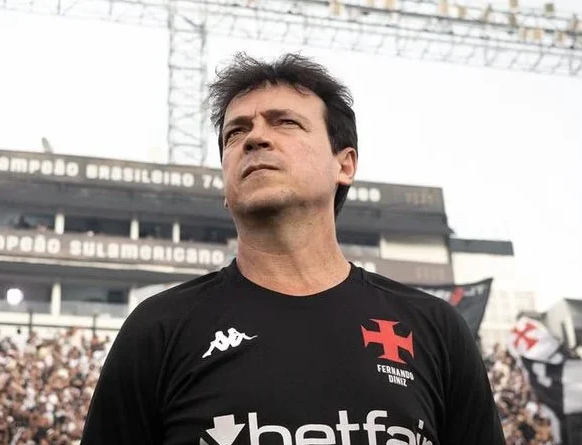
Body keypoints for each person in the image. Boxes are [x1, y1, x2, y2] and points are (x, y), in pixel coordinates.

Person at [80, 52, 506, 445]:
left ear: (344, 164)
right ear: (225, 185)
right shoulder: (159, 330)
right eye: (236, 132)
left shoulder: (434, 329)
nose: (254, 139)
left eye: (284, 122)